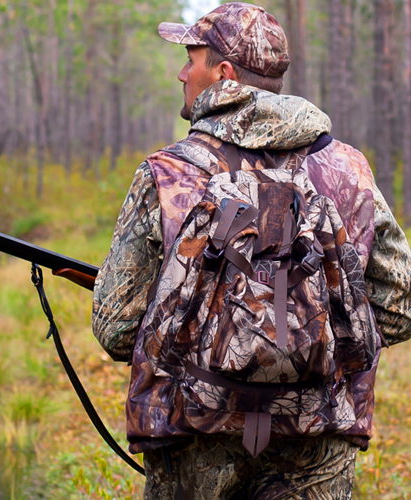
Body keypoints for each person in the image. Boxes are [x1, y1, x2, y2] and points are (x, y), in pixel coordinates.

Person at [92, 3, 411, 499]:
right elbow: (398, 305)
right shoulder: (348, 170)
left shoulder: (169, 173)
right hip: (318, 442)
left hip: (192, 438)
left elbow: (116, 330)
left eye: (191, 58)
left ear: (223, 75)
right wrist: (312, 347)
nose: (181, 72)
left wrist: (207, 332)